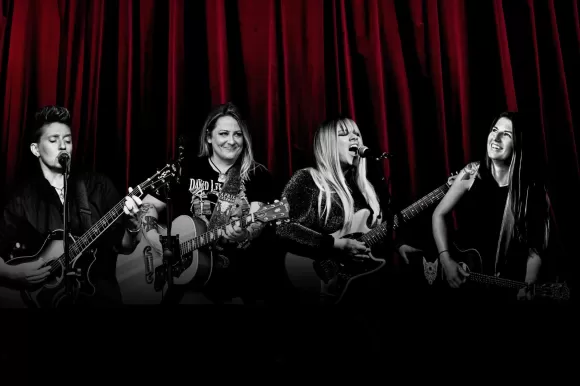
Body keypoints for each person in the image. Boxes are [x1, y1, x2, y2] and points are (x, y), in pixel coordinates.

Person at [0, 105, 144, 307]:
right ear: (35, 149)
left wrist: (133, 225)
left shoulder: (98, 187)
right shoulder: (24, 199)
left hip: (98, 299)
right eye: (53, 140)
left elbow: (125, 246)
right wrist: (15, 273)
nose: (63, 146)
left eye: (67, 140)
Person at [139, 102, 278, 304]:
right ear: (208, 137)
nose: (232, 141)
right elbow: (147, 206)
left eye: (238, 134)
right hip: (186, 282)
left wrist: (245, 233)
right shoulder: (185, 169)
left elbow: (258, 219)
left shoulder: (257, 175)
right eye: (223, 134)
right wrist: (155, 240)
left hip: (237, 282)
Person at [276, 116, 422, 305]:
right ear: (327, 144)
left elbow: (371, 232)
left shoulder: (365, 189)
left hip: (361, 290)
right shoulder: (307, 180)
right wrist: (337, 245)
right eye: (344, 134)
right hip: (314, 279)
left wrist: (398, 245)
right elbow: (284, 228)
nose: (355, 138)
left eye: (357, 134)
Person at [432, 111, 551, 302]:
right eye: (495, 130)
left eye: (506, 134)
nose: (495, 138)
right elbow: (438, 214)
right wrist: (446, 260)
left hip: (499, 287)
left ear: (519, 144)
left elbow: (535, 248)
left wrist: (530, 281)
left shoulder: (532, 191)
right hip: (464, 280)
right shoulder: (470, 173)